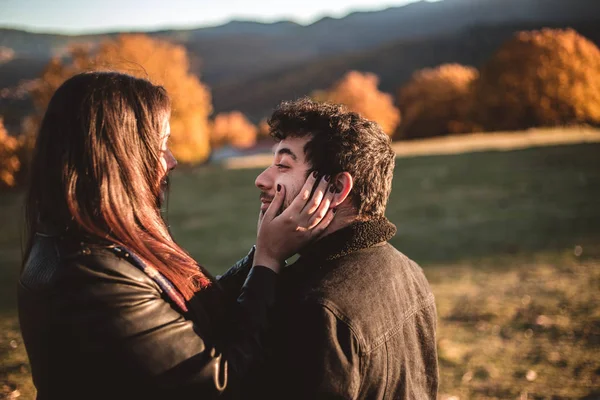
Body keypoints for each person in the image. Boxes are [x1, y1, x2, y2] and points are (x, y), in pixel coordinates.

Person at [17, 72, 335, 400]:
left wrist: (263, 253)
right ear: (117, 156)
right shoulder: (88, 278)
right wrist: (268, 259)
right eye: (160, 146)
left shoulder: (94, 245)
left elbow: (189, 309)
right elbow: (224, 385)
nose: (171, 160)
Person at [247, 98, 439, 399]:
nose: (262, 179)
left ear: (336, 188)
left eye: (283, 165)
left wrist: (266, 257)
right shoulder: (411, 272)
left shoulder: (316, 310)